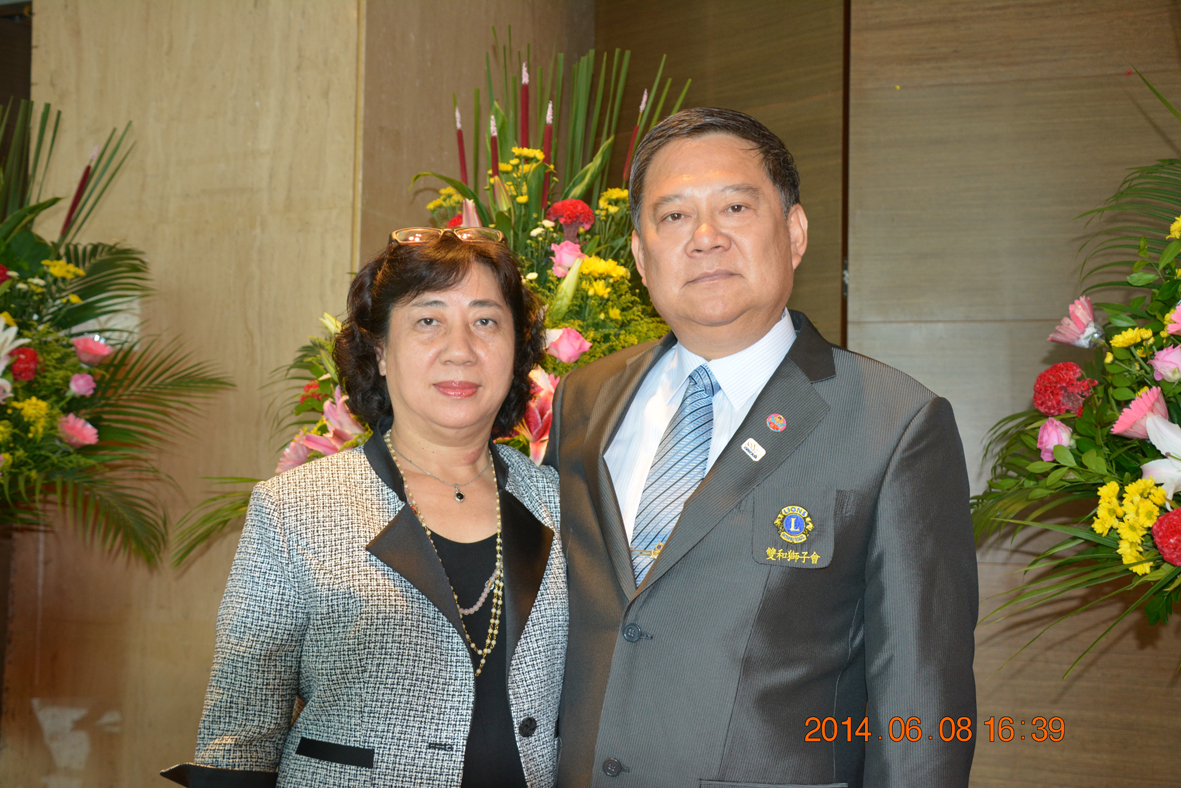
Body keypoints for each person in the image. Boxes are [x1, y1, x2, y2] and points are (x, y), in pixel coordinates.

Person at [544, 108, 978, 787]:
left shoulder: (896, 424)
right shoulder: (584, 398)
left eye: (735, 207)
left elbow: (921, 699)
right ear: (640, 255)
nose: (705, 238)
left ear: (794, 232)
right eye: (674, 216)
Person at [163, 228, 565, 788]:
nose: (461, 349)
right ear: (379, 352)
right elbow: (241, 734)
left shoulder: (560, 502)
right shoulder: (295, 508)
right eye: (428, 320)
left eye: (485, 321)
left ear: (516, 350)